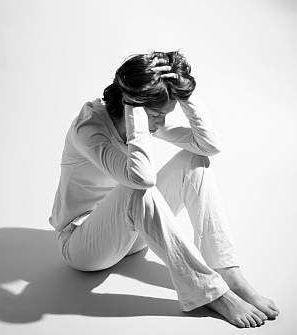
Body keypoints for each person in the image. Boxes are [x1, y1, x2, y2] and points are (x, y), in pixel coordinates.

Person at [48, 50, 279, 328]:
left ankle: (227, 272)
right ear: (131, 105)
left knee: (193, 161)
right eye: (155, 115)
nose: (159, 123)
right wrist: (137, 112)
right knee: (137, 189)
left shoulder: (146, 114)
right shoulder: (89, 128)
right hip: (83, 245)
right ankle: (209, 291)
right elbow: (141, 179)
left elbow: (207, 146)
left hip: (133, 233)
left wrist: (185, 95)